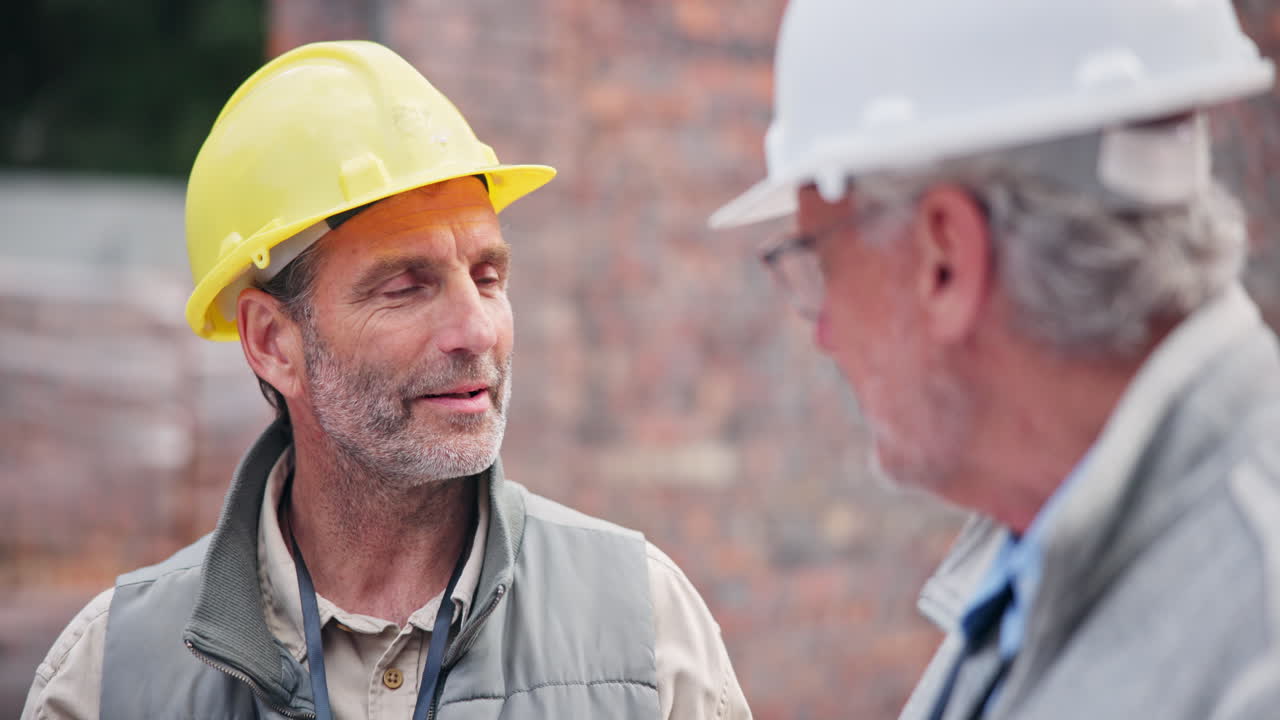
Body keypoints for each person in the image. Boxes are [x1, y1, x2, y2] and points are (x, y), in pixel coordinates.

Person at [23, 40, 750, 720]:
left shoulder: (648, 633)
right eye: (406, 287)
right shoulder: (109, 677)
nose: (476, 331)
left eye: (487, 277)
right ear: (272, 342)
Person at [710, 1, 1280, 718]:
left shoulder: (1257, 639)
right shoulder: (1034, 562)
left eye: (819, 264)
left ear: (946, 259)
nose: (822, 330)